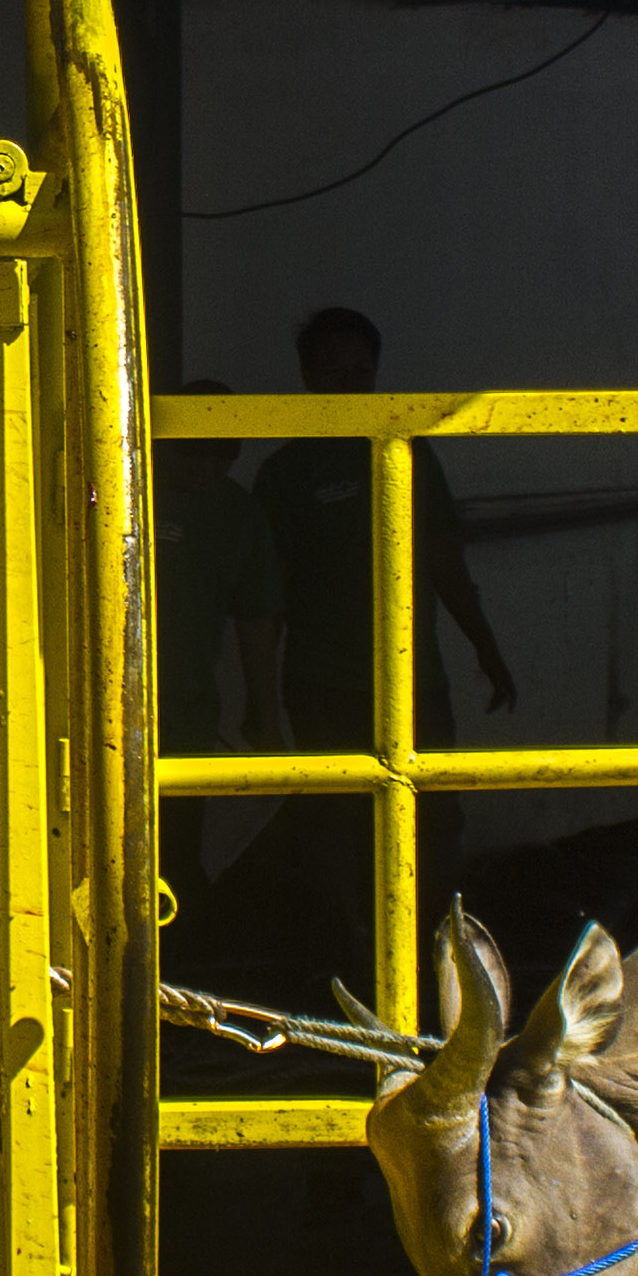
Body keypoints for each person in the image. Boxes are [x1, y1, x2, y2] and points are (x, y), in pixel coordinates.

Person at [251, 307, 514, 757]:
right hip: (323, 685)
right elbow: (267, 595)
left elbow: (446, 562)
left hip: (413, 679)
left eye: (362, 371)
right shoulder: (285, 472)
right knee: (338, 803)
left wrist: (486, 649)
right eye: (335, 372)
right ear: (308, 377)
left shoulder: (409, 452)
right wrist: (263, 705)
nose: (350, 384)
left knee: (427, 800)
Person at [153, 381, 284, 902]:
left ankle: (180, 943)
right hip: (105, 709)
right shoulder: (123, 488)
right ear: (165, 441)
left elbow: (257, 620)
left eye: (221, 453)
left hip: (187, 712)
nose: (206, 465)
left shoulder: (240, 515)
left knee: (177, 851)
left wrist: (266, 719)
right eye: (193, 451)